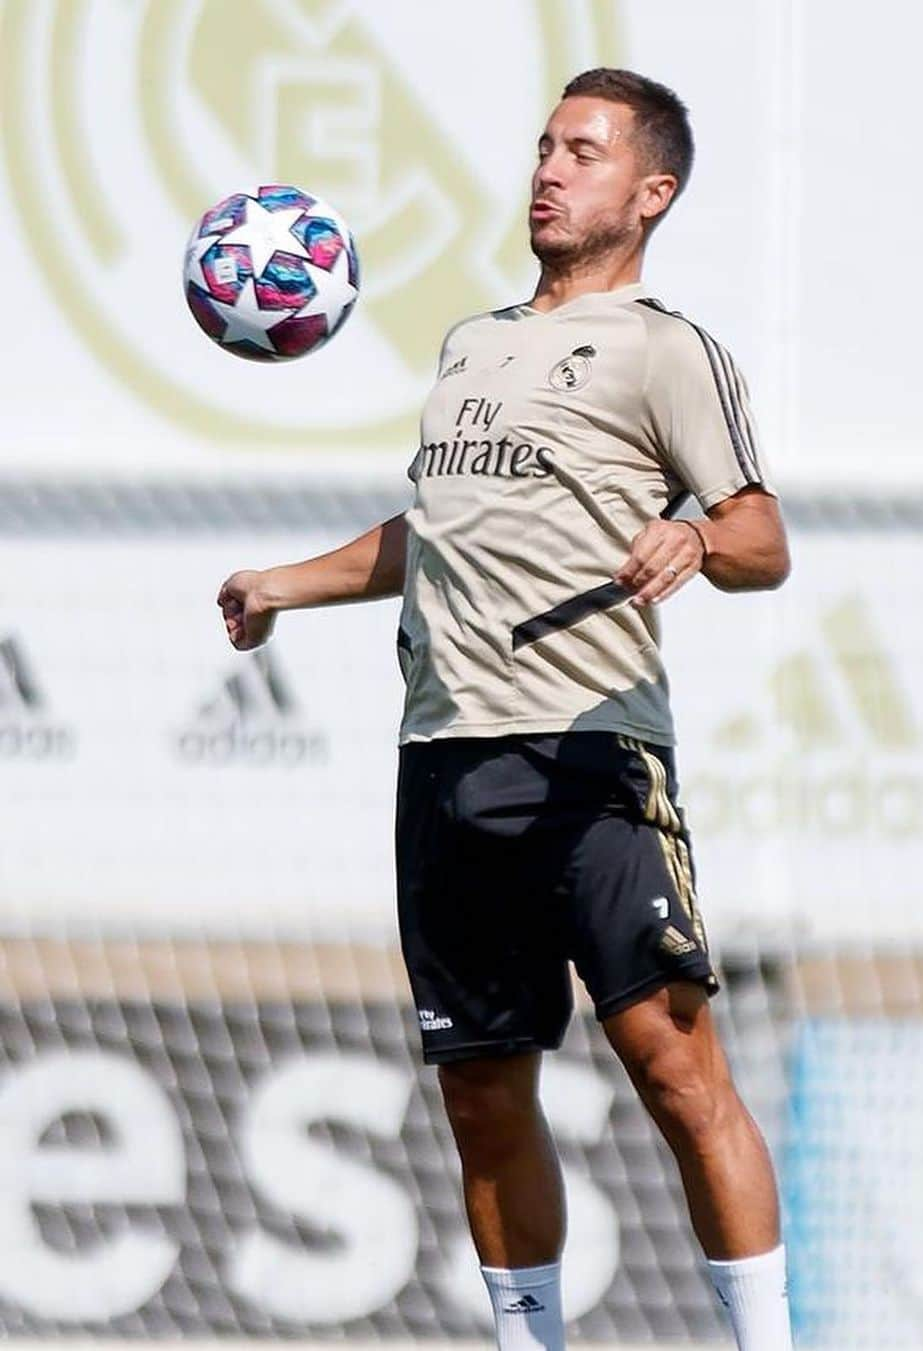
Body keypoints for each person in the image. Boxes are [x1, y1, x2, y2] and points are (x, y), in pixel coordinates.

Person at [218, 68, 793, 1351]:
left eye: (582, 152)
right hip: (444, 757)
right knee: (482, 1093)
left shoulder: (667, 346)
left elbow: (763, 536)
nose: (548, 169)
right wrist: (285, 584)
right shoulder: (470, 345)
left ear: (652, 192)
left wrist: (695, 538)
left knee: (674, 1066)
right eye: (543, 145)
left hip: (589, 746)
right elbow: (431, 536)